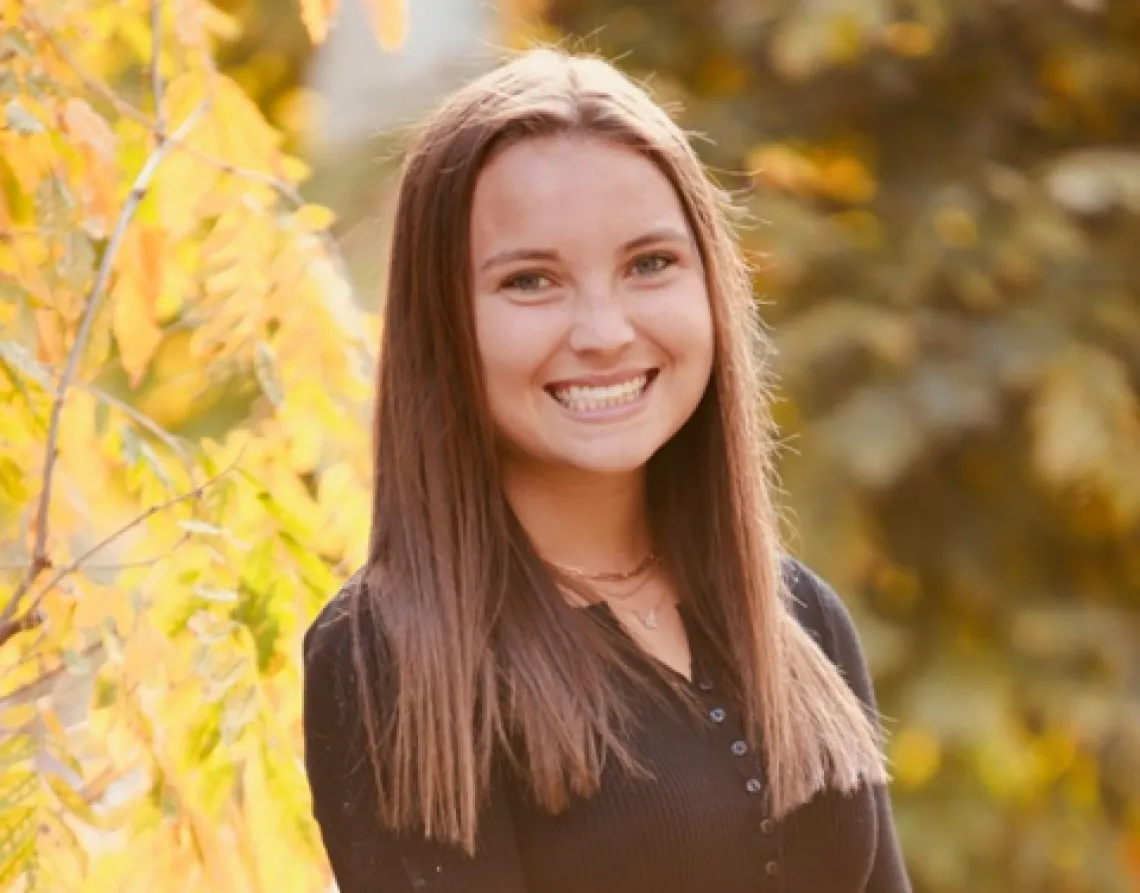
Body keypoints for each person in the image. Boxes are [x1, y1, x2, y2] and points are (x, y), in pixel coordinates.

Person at [301, 48, 912, 893]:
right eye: (531, 280)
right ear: (443, 324)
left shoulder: (800, 616)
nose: (603, 329)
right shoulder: (394, 654)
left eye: (649, 264)